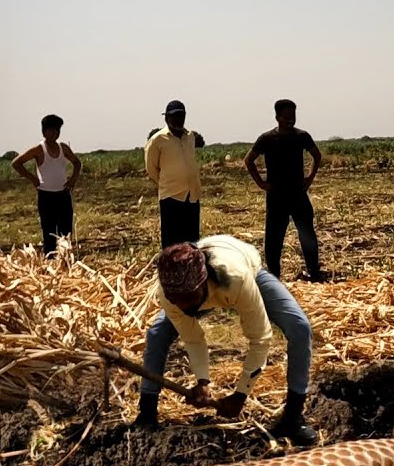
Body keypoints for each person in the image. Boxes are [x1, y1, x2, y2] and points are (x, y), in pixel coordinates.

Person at [134, 235, 318, 445]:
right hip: (203, 279)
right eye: (177, 300)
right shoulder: (171, 296)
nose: (183, 307)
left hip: (246, 265)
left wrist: (241, 394)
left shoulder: (236, 278)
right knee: (157, 333)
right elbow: (193, 339)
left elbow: (260, 337)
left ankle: (294, 417)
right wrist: (202, 382)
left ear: (203, 284)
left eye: (188, 299)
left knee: (300, 327)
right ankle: (147, 414)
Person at [244, 99, 325, 281]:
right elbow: (248, 160)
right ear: (277, 117)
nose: (290, 120)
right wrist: (261, 183)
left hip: (298, 193)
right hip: (277, 195)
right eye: (286, 117)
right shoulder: (266, 139)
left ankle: (314, 272)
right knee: (274, 237)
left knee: (307, 233)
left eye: (293, 116)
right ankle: (274, 277)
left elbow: (317, 155)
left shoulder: (302, 136)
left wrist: (309, 178)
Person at [11, 114, 82, 256]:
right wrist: (33, 178)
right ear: (44, 131)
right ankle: (50, 265)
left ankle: (65, 262)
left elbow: (77, 162)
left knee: (65, 232)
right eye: (51, 129)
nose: (55, 133)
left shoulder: (63, 148)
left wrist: (73, 179)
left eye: (57, 130)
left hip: (63, 194)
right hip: (46, 196)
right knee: (49, 232)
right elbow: (16, 163)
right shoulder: (39, 149)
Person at [144, 100, 203, 248]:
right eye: (174, 116)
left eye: (181, 115)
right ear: (166, 118)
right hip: (171, 197)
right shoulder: (157, 139)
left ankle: (190, 270)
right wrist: (167, 183)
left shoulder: (190, 137)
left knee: (192, 242)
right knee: (172, 244)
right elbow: (151, 168)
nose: (178, 119)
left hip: (192, 196)